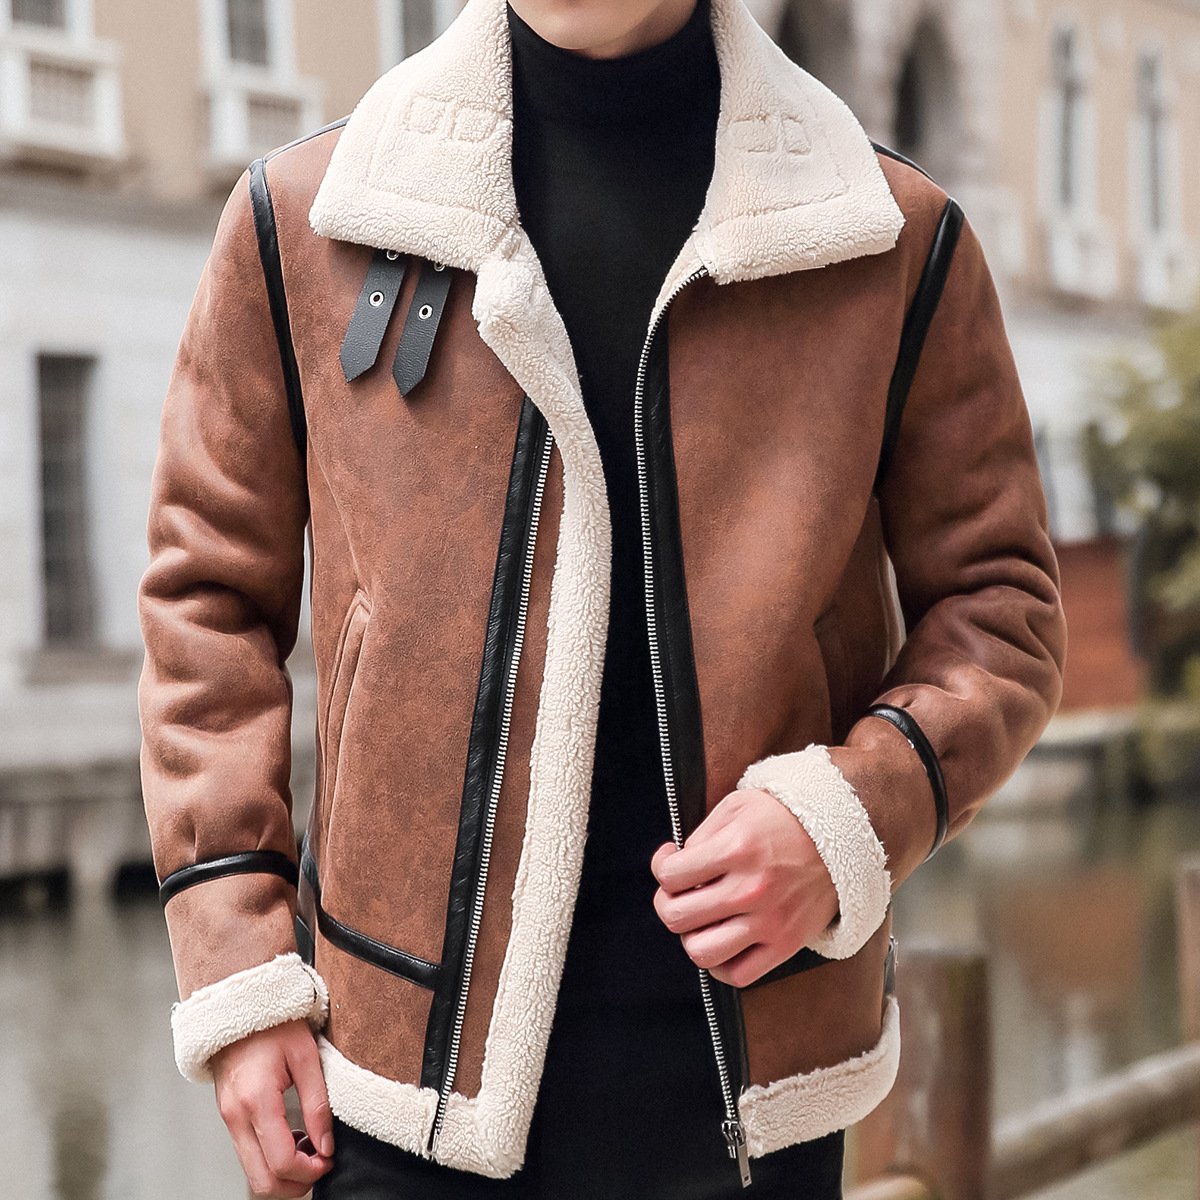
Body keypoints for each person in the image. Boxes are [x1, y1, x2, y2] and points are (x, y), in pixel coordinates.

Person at [135, 0, 1068, 1197]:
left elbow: (1002, 609)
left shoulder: (891, 237)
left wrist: (852, 817)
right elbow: (204, 602)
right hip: (393, 1092)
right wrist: (239, 974)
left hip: (753, 1092)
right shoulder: (309, 218)